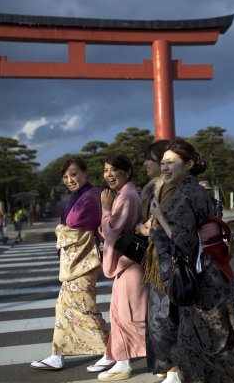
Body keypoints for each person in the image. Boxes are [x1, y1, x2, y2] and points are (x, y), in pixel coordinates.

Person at [149, 140, 234, 383]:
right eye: (163, 163)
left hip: (203, 280)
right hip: (209, 272)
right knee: (194, 342)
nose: (165, 168)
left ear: (189, 164)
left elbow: (182, 243)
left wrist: (159, 220)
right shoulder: (195, 190)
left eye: (171, 162)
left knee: (216, 344)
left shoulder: (185, 194)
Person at [30, 156, 108, 371]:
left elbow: (73, 228)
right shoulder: (78, 196)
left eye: (73, 174)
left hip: (83, 261)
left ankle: (111, 351)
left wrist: (61, 231)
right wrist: (63, 231)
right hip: (75, 262)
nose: (69, 179)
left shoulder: (91, 195)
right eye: (65, 177)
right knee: (64, 308)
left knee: (84, 306)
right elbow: (69, 228)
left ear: (85, 172)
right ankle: (58, 354)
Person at [90, 154, 148, 382]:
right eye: (106, 171)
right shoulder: (126, 194)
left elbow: (113, 229)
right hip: (128, 262)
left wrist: (105, 209)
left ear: (127, 172)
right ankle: (121, 360)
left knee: (129, 314)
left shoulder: (128, 195)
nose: (109, 175)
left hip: (130, 263)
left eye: (114, 170)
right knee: (120, 313)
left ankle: (165, 360)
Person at [134, 140, 180, 382]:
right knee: (159, 316)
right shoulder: (157, 188)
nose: (146, 164)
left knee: (162, 317)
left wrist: (145, 230)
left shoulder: (170, 189)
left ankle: (173, 368)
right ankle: (168, 366)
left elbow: (164, 225)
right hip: (158, 260)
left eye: (150, 159)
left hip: (167, 261)